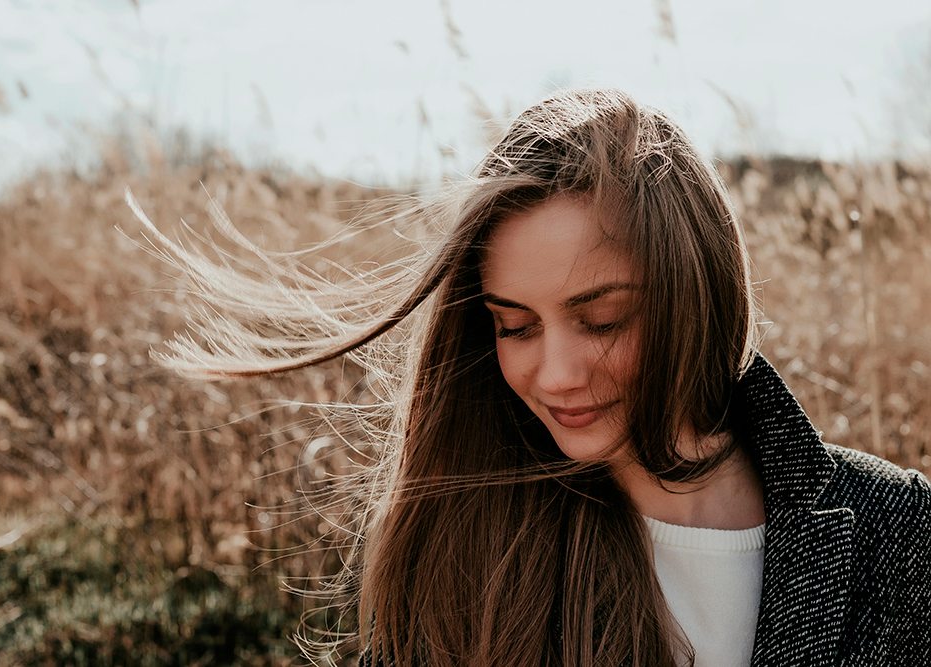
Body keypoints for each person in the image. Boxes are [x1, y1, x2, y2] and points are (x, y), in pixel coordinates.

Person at [134, 89, 931, 666]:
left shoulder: (900, 529)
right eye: (515, 325)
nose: (554, 373)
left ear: (695, 293)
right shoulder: (466, 546)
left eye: (602, 319)